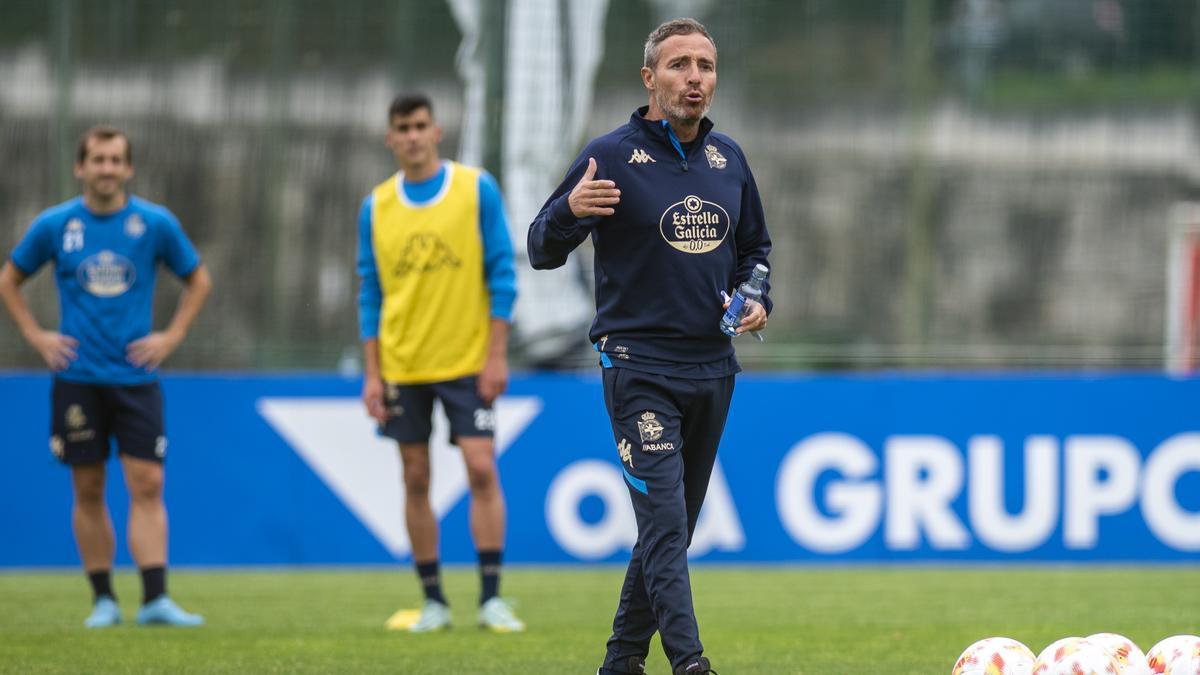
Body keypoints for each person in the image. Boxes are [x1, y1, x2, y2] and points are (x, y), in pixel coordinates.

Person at [528, 18, 772, 675]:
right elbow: (539, 249)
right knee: (666, 525)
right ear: (649, 78)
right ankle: (692, 664)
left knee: (671, 530)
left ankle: (620, 662)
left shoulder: (729, 160)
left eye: (705, 65)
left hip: (714, 368)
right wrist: (567, 212)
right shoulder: (609, 156)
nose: (695, 78)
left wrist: (756, 299)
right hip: (638, 367)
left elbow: (756, 253)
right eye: (679, 65)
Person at [0, 125, 212, 628]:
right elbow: (9, 280)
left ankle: (156, 599)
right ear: (80, 167)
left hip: (136, 377)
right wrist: (37, 337)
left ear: (129, 168)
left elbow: (198, 279)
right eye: (98, 160)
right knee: (88, 488)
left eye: (116, 160)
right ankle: (103, 600)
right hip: (77, 378)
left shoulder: (154, 223)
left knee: (148, 482)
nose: (107, 169)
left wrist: (170, 337)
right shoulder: (56, 226)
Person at [357, 93, 523, 633]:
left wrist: (497, 355)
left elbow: (502, 272)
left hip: (467, 360)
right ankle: (433, 600)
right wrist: (372, 372)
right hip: (403, 364)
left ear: (437, 131)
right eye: (401, 127)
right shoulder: (376, 206)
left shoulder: (475, 189)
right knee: (415, 475)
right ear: (390, 138)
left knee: (480, 467)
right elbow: (371, 293)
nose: (411, 135)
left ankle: (491, 598)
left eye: (420, 125)